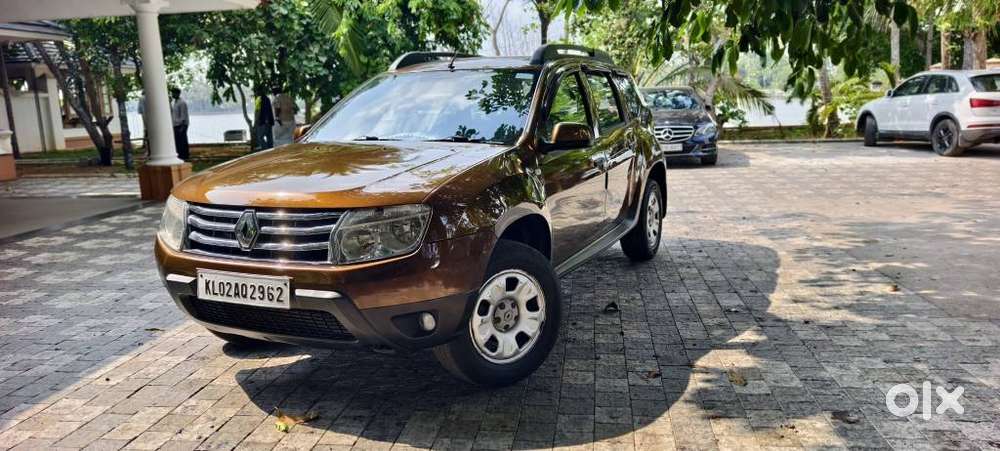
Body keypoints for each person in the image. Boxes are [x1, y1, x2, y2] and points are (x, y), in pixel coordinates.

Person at [170, 87, 190, 161]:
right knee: (178, 141)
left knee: (182, 141)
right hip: (175, 124)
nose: (172, 94)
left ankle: (184, 155)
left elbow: (183, 115)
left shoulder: (182, 103)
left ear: (178, 93)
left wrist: (183, 126)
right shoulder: (174, 102)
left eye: (174, 93)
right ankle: (180, 155)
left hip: (181, 124)